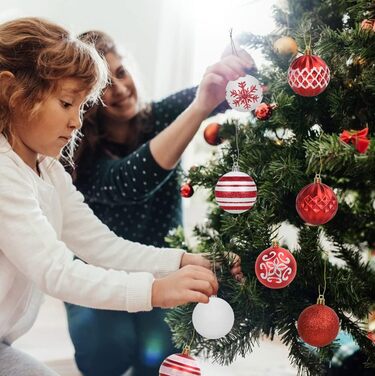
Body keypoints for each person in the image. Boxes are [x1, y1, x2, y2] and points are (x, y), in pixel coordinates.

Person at [0, 17, 241, 376]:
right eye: (67, 103)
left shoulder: (47, 169)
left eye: (81, 108)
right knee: (106, 346)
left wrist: (183, 261)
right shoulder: (6, 173)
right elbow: (56, 271)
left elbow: (101, 246)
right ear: (11, 94)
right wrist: (156, 290)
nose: (76, 122)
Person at [65, 30, 252, 376]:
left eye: (120, 72)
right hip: (99, 274)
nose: (119, 88)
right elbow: (130, 181)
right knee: (107, 351)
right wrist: (199, 106)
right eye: (103, 84)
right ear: (84, 99)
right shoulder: (78, 153)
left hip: (167, 266)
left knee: (162, 358)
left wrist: (236, 67)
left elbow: (225, 94)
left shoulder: (161, 114)